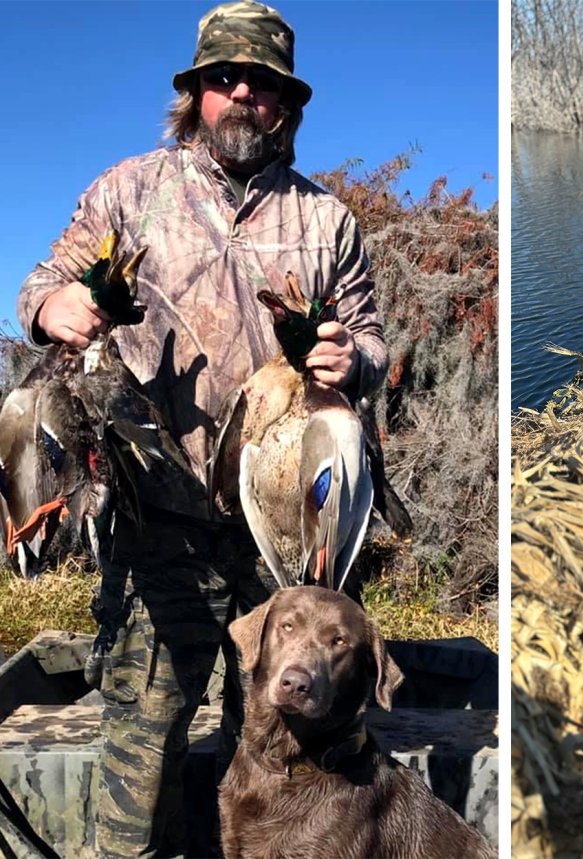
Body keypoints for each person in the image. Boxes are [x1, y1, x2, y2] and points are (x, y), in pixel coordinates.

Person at [16, 2, 387, 855]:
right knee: (142, 748)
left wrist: (350, 359)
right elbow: (43, 281)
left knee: (287, 755)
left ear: (286, 103)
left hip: (287, 538)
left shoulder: (326, 222)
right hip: (158, 525)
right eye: (224, 80)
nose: (242, 96)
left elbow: (371, 338)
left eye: (262, 84)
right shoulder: (130, 192)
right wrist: (53, 306)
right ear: (196, 94)